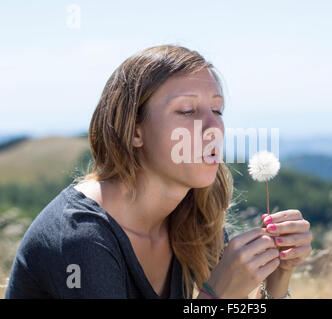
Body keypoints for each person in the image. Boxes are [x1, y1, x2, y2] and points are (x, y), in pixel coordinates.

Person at [5, 45, 312, 299]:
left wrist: (276, 276)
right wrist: (216, 296)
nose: (212, 128)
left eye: (217, 110)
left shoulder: (189, 220)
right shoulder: (80, 238)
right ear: (135, 130)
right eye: (187, 111)